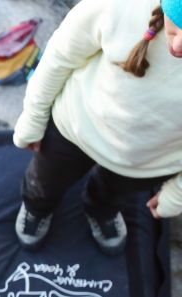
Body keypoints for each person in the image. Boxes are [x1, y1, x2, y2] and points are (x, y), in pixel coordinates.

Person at [13, 0, 182, 255]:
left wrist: (178, 192)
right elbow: (59, 57)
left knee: (111, 197)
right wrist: (33, 116)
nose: (179, 44)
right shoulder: (119, 5)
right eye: (179, 20)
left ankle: (101, 210)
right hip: (74, 127)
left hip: (149, 162)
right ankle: (37, 207)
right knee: (43, 182)